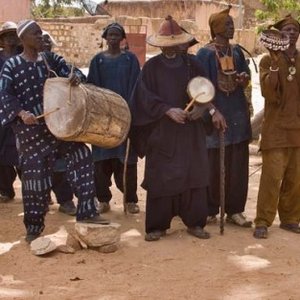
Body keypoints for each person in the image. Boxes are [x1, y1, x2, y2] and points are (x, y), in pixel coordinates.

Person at [0, 20, 109, 243]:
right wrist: (21, 113)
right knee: (35, 182)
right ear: (24, 39)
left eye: (41, 34)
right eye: (36, 34)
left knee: (82, 157)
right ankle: (34, 227)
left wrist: (75, 77)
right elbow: (5, 96)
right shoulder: (12, 66)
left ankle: (87, 212)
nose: (41, 38)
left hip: (59, 128)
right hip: (31, 134)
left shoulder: (50, 59)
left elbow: (74, 72)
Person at [130, 16, 226, 241]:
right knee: (162, 176)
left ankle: (195, 222)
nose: (171, 48)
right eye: (166, 45)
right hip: (163, 132)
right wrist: (166, 110)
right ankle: (157, 225)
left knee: (195, 173)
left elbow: (205, 93)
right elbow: (142, 97)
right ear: (160, 44)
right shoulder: (151, 67)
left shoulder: (194, 64)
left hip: (190, 132)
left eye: (175, 44)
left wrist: (204, 111)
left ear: (181, 44)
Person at [196, 6, 252, 227]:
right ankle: (210, 209)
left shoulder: (237, 52)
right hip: (215, 117)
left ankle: (235, 210)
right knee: (212, 166)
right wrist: (213, 110)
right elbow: (199, 88)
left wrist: (242, 79)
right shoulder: (205, 54)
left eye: (232, 24)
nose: (232, 28)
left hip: (237, 115)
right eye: (227, 24)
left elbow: (245, 78)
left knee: (238, 164)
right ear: (216, 27)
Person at [253, 15, 300, 238]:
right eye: (287, 30)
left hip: (298, 130)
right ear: (280, 35)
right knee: (271, 178)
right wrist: (273, 63)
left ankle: (290, 219)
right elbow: (269, 94)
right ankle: (263, 221)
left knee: (295, 178)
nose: (291, 33)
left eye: (295, 29)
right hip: (276, 130)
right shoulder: (266, 60)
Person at [87, 23, 140, 214]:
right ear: (105, 37)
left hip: (124, 117)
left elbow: (136, 86)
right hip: (103, 120)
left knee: (126, 159)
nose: (113, 38)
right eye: (110, 34)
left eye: (117, 35)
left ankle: (131, 200)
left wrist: (130, 112)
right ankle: (103, 199)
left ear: (122, 38)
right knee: (100, 161)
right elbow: (91, 89)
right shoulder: (97, 61)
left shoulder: (130, 60)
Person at [41, 30, 77, 216]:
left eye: (48, 41)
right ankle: (42, 198)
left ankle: (65, 200)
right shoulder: (20, 62)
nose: (45, 43)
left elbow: (74, 73)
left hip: (56, 117)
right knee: (34, 164)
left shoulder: (55, 60)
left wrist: (75, 77)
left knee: (59, 162)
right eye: (41, 40)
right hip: (33, 121)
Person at [0, 21, 22, 202]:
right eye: (7, 36)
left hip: (22, 111)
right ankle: (6, 190)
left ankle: (38, 192)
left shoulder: (25, 57)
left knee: (25, 153)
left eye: (14, 35)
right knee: (2, 154)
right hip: (1, 112)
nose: (11, 39)